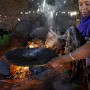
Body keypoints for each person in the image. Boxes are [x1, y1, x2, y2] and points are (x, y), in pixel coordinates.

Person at [46, 0, 90, 89]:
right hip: (83, 60)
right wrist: (61, 44)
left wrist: (63, 59)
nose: (83, 7)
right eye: (80, 4)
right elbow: (79, 39)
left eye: (88, 3)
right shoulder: (82, 22)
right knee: (71, 31)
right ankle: (78, 74)